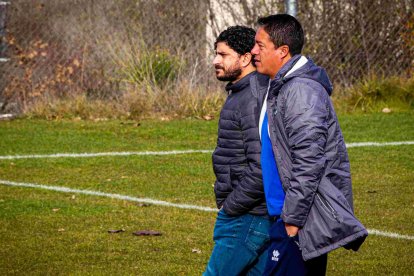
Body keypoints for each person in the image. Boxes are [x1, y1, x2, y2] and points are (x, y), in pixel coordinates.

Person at [250, 14, 368, 275]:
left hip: (297, 219)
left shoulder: (301, 91)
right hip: (282, 216)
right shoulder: (277, 85)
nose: (253, 51)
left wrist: (291, 220)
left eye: (260, 45)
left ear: (282, 51)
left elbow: (309, 161)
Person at [203, 25, 271, 276]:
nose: (215, 60)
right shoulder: (240, 92)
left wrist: (231, 206)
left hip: (247, 216)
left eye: (223, 55)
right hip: (252, 215)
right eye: (216, 53)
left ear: (245, 58)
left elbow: (263, 165)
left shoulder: (252, 99)